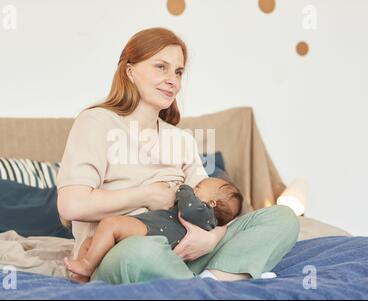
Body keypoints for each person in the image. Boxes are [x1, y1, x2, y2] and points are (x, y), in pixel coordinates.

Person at [56, 27, 300, 284]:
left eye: (179, 72)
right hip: (123, 251)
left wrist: (211, 238)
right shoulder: (97, 122)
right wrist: (148, 195)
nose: (173, 80)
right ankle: (219, 280)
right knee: (139, 252)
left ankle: (210, 279)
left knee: (282, 218)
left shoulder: (181, 140)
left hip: (188, 250)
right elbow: (72, 204)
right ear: (130, 72)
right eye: (161, 67)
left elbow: (212, 207)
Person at [63, 177, 243, 282]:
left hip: (155, 231)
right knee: (90, 242)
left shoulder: (205, 215)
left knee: (110, 224)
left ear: (211, 203)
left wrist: (184, 188)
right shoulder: (203, 215)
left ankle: (87, 266)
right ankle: (83, 277)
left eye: (198, 188)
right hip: (154, 228)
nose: (193, 188)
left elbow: (188, 207)